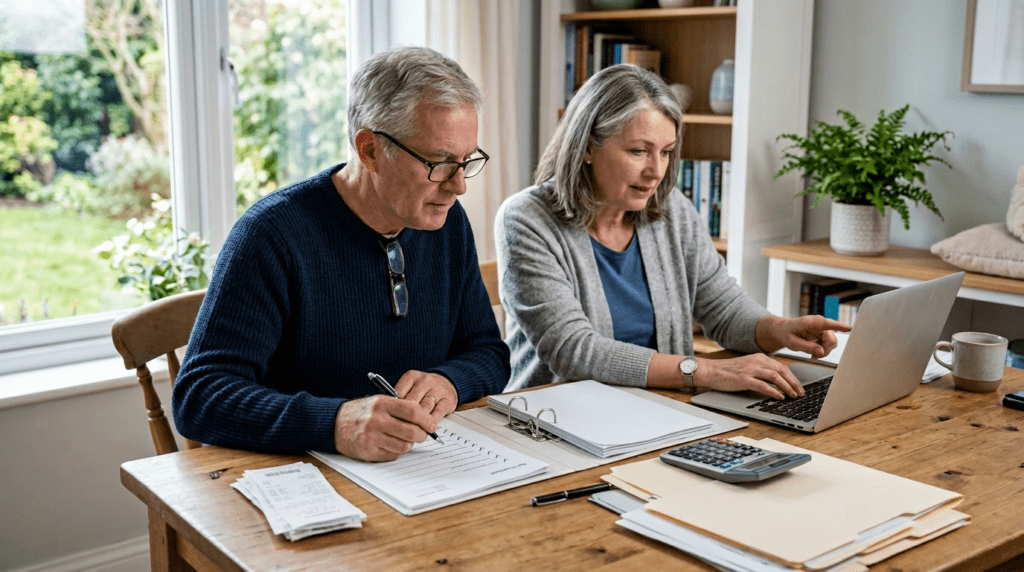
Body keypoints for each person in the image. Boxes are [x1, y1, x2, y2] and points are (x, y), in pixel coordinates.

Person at [173, 46, 510, 461]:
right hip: (302, 482)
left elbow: (488, 353)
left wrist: (449, 381)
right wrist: (334, 423)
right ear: (369, 149)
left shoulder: (445, 221)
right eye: (438, 163)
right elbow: (200, 396)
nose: (458, 186)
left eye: (465, 161)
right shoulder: (273, 234)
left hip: (418, 474)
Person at [495, 64, 849, 398]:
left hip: (665, 411)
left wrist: (778, 329)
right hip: (557, 421)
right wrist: (705, 371)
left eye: (665, 152)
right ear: (587, 146)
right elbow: (575, 352)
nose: (656, 171)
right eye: (638, 151)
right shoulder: (526, 220)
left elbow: (723, 310)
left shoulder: (671, 208)